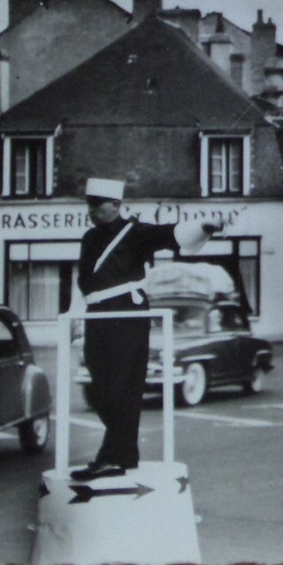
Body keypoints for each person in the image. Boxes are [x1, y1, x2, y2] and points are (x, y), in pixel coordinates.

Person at [72, 177, 221, 480]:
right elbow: (88, 282)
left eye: (96, 205)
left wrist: (204, 227)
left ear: (115, 205)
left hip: (126, 314)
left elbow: (170, 235)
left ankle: (113, 456)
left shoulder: (135, 233)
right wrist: (77, 314)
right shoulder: (89, 237)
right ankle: (125, 453)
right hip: (97, 315)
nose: (91, 210)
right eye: (89, 204)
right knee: (99, 387)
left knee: (121, 388)